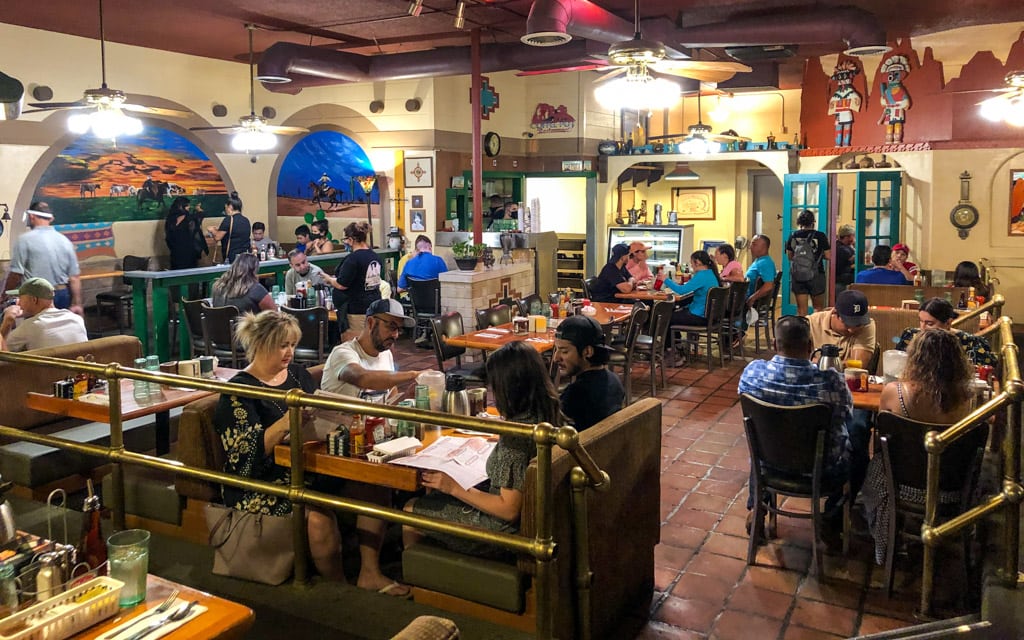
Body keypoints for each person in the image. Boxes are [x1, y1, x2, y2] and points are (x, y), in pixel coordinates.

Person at [213, 310, 405, 593]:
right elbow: (243, 459)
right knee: (318, 518)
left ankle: (370, 572)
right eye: (282, 345)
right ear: (260, 344)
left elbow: (321, 417)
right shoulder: (238, 392)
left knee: (373, 486)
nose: (289, 352)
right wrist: (289, 420)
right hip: (265, 482)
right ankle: (339, 590)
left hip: (308, 464)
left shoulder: (297, 375)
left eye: (292, 344)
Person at [402, 341, 560, 557]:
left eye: (494, 385)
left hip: (503, 532)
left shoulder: (515, 438)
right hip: (542, 521)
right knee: (434, 497)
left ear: (508, 388)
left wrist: (453, 487)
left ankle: (421, 579)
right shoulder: (547, 414)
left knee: (411, 508)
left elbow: (508, 510)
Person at [863, 329, 975, 564]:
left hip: (900, 485)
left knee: (872, 462)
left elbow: (882, 438)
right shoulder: (968, 398)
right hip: (951, 487)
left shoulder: (895, 392)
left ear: (915, 358)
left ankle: (885, 538)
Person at [738, 315, 851, 534]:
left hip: (768, 465)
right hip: (822, 471)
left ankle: (758, 507)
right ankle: (832, 518)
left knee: (762, 439)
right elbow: (846, 415)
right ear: (811, 346)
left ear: (774, 344)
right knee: (856, 442)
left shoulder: (753, 373)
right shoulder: (831, 381)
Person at [321, 298, 423, 398]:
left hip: (373, 415)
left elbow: (388, 402)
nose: (396, 335)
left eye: (399, 329)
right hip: (341, 415)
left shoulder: (386, 354)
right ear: (371, 323)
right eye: (392, 327)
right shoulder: (342, 353)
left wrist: (406, 396)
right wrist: (414, 375)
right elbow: (362, 378)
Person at [3, 202, 83, 315]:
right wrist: (77, 303)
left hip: (38, 297)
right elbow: (74, 277)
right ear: (50, 219)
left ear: (31, 216)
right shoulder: (64, 241)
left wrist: (4, 294)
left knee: (38, 330)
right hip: (62, 294)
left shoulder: (24, 240)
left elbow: (16, 274)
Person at [553, 315, 624, 431]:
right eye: (556, 349)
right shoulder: (614, 380)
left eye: (564, 351)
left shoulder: (576, 394)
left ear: (587, 351)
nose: (556, 358)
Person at [895, 297, 996, 366]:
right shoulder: (910, 336)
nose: (923, 327)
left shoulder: (970, 343)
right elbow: (896, 365)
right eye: (921, 321)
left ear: (948, 323)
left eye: (930, 324)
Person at [1, 277, 88, 351]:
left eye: (20, 298)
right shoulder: (76, 319)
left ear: (34, 300)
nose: (18, 303)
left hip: (48, 371)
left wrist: (8, 321)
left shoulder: (30, 326)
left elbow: (1, 348)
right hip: (79, 369)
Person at [333, 221, 382, 336]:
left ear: (351, 240)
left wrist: (328, 279)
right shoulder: (375, 256)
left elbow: (342, 284)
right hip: (373, 304)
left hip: (356, 308)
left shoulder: (353, 259)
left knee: (356, 343)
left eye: (345, 239)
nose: (345, 242)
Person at [807, 289, 876, 365]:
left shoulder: (866, 325)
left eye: (857, 325)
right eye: (847, 324)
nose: (852, 330)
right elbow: (798, 359)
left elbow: (858, 365)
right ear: (834, 313)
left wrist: (821, 363)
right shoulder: (810, 323)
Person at [785, 209, 831, 316]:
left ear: (799, 223)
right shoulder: (820, 236)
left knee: (801, 310)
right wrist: (817, 256)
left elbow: (790, 256)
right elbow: (828, 256)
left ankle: (802, 331)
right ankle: (815, 332)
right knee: (818, 309)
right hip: (816, 274)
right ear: (813, 222)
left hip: (798, 275)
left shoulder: (793, 236)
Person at [661, 251, 721, 327]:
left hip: (699, 316)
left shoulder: (701, 275)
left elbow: (681, 291)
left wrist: (665, 280)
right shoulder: (711, 273)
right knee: (676, 312)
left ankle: (672, 338)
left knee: (666, 317)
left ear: (698, 262)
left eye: (692, 263)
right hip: (709, 316)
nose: (691, 266)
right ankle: (675, 337)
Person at [211, 253, 275, 313]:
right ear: (253, 271)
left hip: (220, 324)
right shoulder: (256, 289)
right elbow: (274, 313)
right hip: (247, 324)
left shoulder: (217, 287)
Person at [206, 191, 251, 264]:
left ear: (230, 207)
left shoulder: (228, 220)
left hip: (232, 257)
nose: (225, 210)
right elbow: (235, 232)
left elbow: (217, 237)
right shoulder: (246, 220)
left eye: (226, 207)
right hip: (245, 256)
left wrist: (212, 230)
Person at [165, 196, 201, 270]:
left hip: (175, 252)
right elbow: (198, 220)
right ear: (182, 206)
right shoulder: (187, 218)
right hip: (188, 252)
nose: (189, 207)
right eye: (188, 205)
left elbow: (169, 236)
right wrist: (199, 210)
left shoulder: (170, 218)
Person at [744, 234, 776, 309]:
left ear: (764, 247)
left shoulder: (765, 263)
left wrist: (752, 298)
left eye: (754, 244)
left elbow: (768, 285)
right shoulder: (759, 261)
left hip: (748, 301)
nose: (750, 247)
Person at [835, 224, 856, 292]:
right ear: (848, 237)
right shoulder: (843, 249)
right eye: (853, 236)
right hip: (842, 279)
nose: (854, 238)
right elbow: (842, 268)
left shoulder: (839, 245)